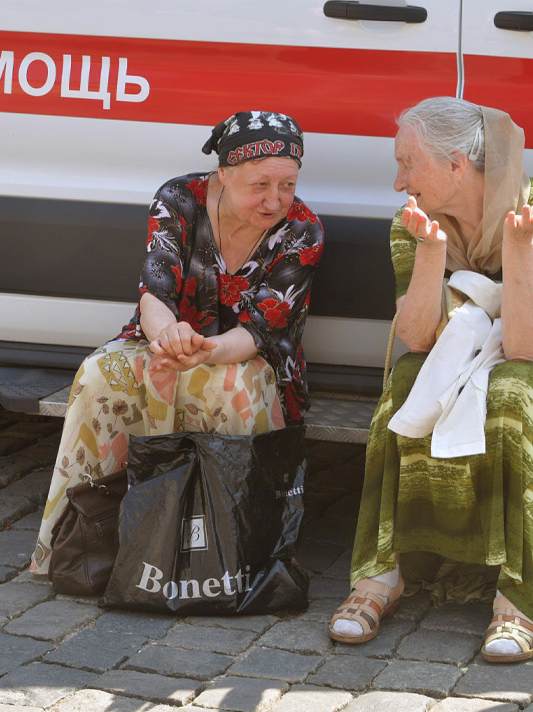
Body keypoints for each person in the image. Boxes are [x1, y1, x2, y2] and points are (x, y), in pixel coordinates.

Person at [328, 97, 533, 662]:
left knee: (518, 386)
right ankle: (381, 574)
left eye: (407, 164)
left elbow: (526, 347)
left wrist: (519, 246)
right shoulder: (413, 221)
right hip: (470, 370)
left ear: (454, 165)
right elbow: (419, 340)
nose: (398, 182)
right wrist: (429, 252)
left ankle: (519, 598)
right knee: (409, 375)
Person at [30, 111, 325, 578]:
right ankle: (80, 547)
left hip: (248, 354)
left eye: (287, 185)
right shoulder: (178, 199)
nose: (275, 201)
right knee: (102, 374)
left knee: (227, 387)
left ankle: (227, 562)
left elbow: (258, 332)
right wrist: (168, 337)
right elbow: (154, 293)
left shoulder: (302, 231)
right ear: (223, 174)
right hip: (163, 335)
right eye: (260, 185)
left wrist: (203, 352)